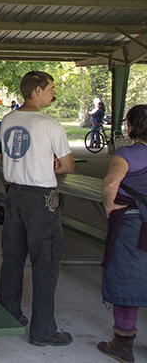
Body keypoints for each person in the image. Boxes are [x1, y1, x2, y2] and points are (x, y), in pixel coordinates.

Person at [0, 71, 75, 347]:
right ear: (37, 91)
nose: (54, 93)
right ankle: (43, 330)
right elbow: (67, 166)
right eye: (51, 88)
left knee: (13, 257)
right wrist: (50, 164)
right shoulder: (50, 125)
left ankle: (7, 313)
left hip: (14, 194)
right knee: (45, 262)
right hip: (40, 198)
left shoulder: (8, 120)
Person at [96, 105, 147, 362]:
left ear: (130, 126)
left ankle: (123, 344)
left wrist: (109, 205)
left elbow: (111, 183)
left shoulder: (127, 153)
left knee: (127, 278)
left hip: (133, 224)